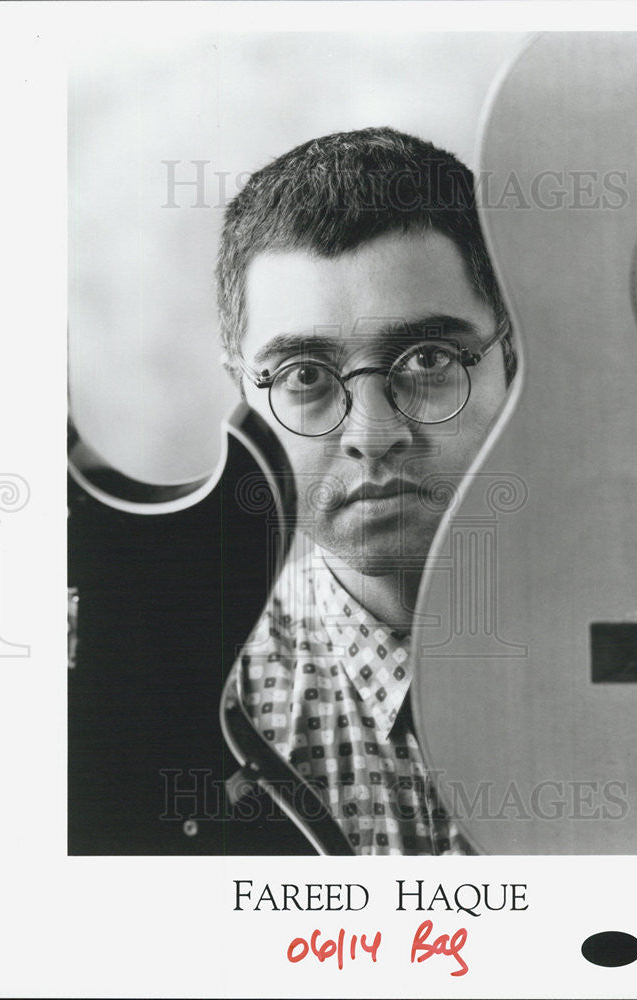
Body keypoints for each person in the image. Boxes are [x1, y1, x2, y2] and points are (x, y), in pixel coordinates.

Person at [217, 126, 517, 855]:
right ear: (242, 395)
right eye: (305, 376)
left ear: (515, 355)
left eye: (428, 358)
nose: (372, 434)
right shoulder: (209, 703)